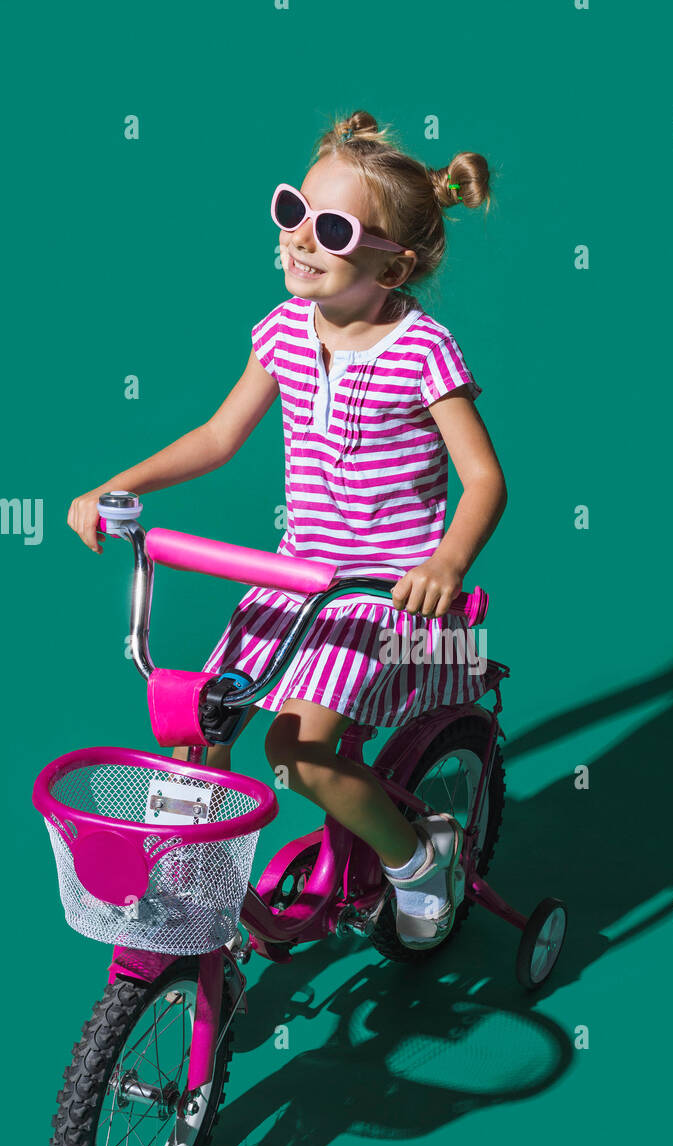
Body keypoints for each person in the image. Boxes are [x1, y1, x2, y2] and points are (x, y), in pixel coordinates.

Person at [67, 109, 507, 945]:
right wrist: (116, 485)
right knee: (199, 728)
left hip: (385, 595)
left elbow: (485, 479)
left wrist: (446, 564)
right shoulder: (282, 333)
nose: (301, 240)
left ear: (395, 263)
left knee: (299, 757)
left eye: (332, 230)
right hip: (297, 575)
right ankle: (189, 888)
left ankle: (418, 865)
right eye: (292, 212)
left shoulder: (423, 351)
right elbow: (216, 436)